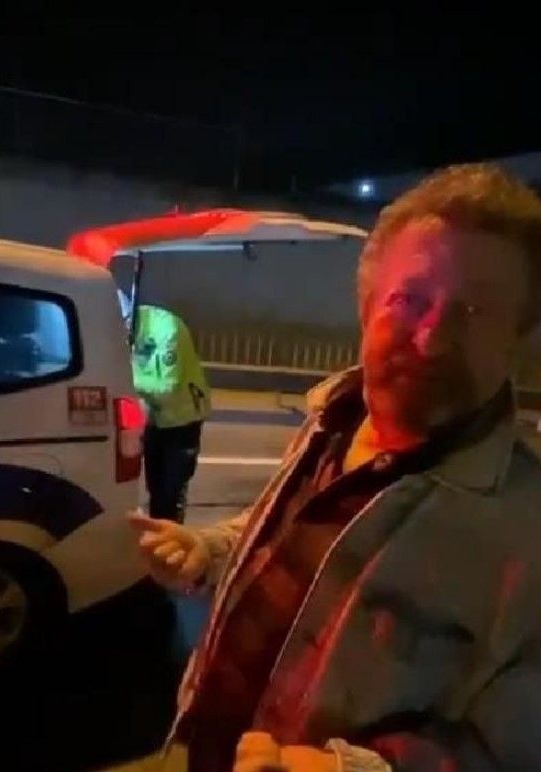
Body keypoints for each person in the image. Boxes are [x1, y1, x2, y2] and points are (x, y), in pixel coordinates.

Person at [129, 163, 541, 771]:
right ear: (367, 305)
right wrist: (211, 552)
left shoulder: (527, 530)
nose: (431, 339)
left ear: (519, 339)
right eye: (408, 300)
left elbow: (513, 749)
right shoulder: (331, 421)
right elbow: (290, 538)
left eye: (475, 312)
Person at [119, 289, 211, 523]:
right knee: (154, 489)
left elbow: (167, 388)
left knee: (170, 493)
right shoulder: (119, 334)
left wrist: (125, 378)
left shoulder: (167, 329)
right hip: (154, 417)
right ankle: (158, 531)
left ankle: (171, 536)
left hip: (183, 418)